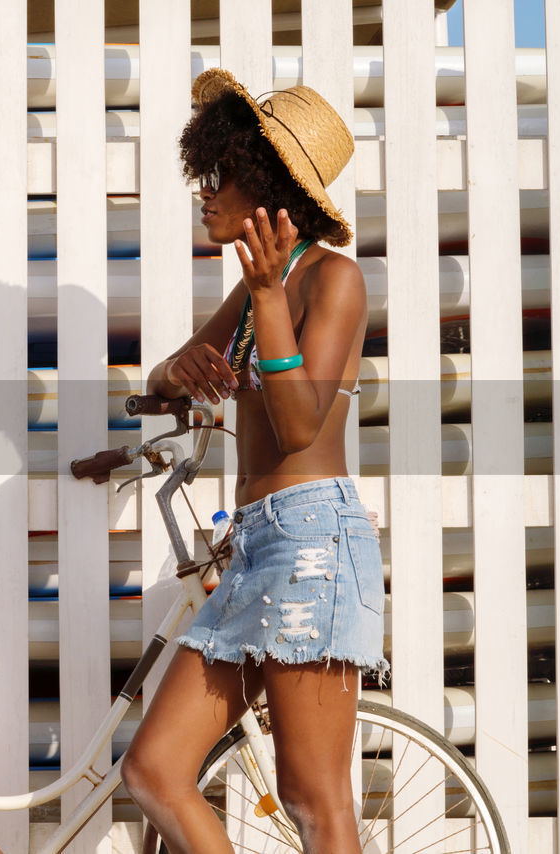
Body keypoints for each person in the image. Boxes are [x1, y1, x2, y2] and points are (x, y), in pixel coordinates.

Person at [118, 69, 389, 853]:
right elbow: (165, 376)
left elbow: (301, 424)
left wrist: (269, 298)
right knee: (155, 768)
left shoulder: (330, 280)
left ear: (268, 185)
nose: (206, 192)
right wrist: (183, 375)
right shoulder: (253, 291)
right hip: (258, 543)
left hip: (312, 543)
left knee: (313, 799)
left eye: (223, 175)